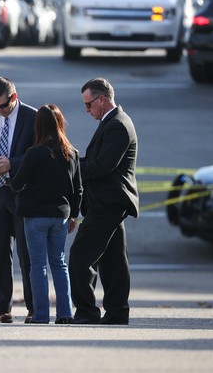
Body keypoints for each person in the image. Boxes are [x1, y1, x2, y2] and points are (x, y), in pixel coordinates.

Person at [69, 77, 138, 325]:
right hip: (110, 202)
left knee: (80, 256)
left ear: (102, 100)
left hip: (108, 202)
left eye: (88, 105)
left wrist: (72, 167)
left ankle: (87, 311)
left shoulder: (118, 125)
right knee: (113, 261)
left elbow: (101, 167)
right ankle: (117, 311)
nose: (86, 110)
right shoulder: (113, 122)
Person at [9, 104, 82, 325]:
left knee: (38, 265)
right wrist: (74, 216)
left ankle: (41, 314)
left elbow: (17, 183)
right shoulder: (71, 153)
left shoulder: (35, 153)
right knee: (59, 263)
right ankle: (65, 313)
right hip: (60, 214)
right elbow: (77, 189)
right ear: (60, 124)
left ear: (38, 126)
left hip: (36, 215)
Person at [0, 76, 37, 324]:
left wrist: (14, 163)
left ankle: (35, 308)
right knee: (0, 254)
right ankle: (2, 307)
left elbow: (40, 153)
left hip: (22, 193)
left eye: (2, 105)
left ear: (14, 97)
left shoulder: (33, 117)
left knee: (27, 256)